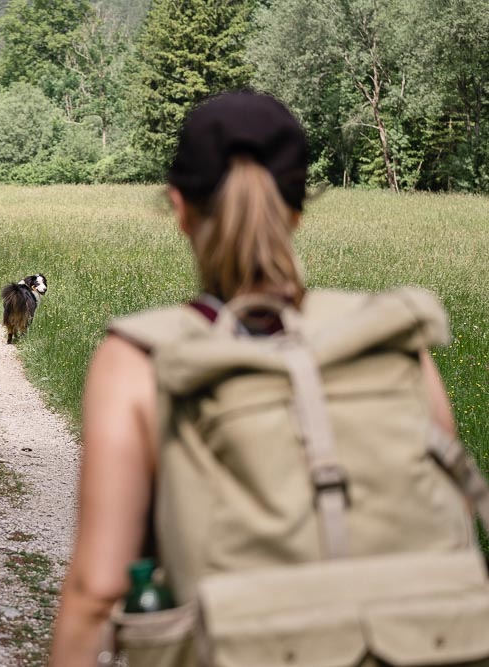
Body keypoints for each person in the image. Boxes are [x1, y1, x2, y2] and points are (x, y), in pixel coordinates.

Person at [47, 91, 460, 667]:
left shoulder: (139, 360)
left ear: (180, 209)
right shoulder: (391, 339)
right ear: (296, 210)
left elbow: (98, 593)